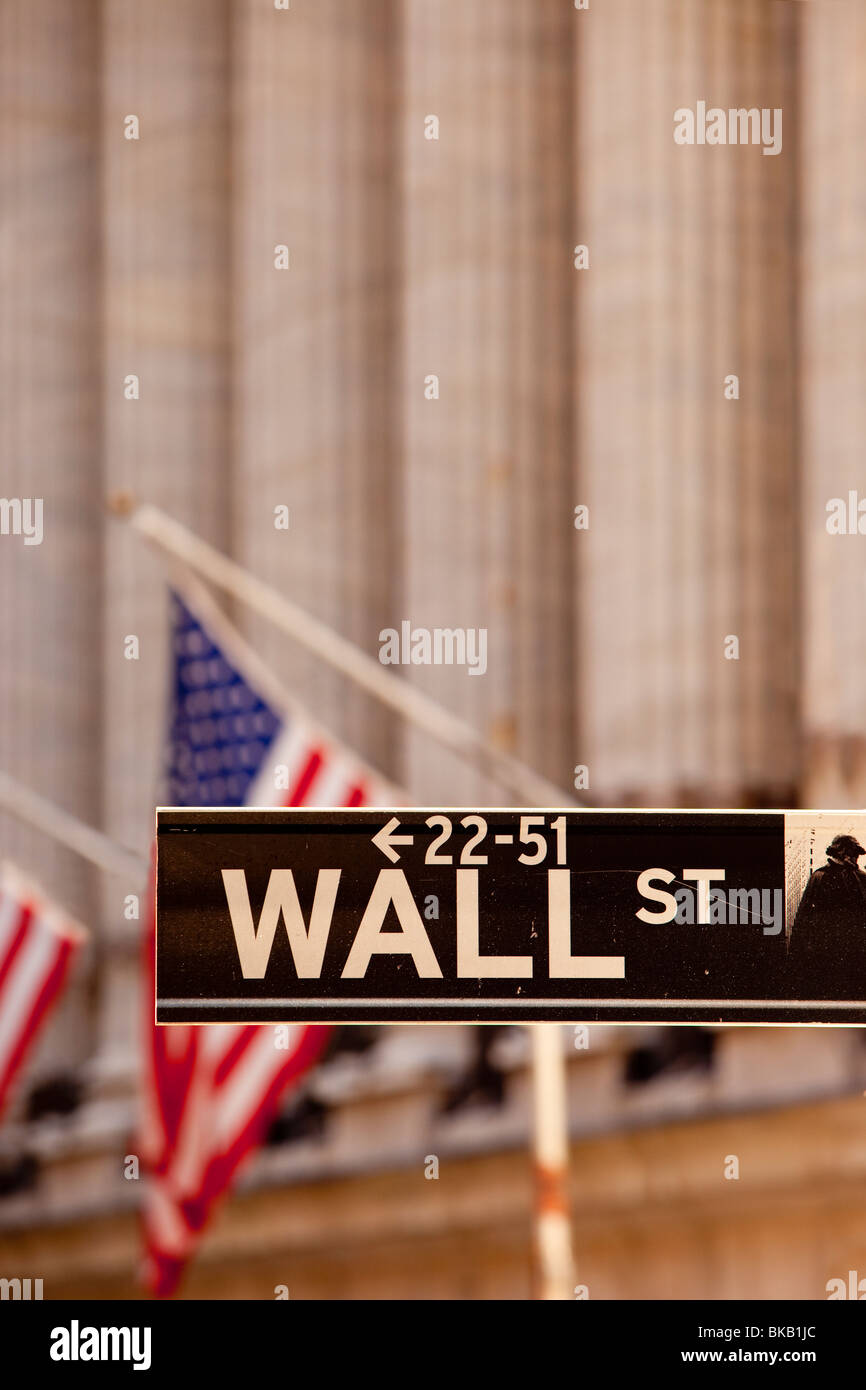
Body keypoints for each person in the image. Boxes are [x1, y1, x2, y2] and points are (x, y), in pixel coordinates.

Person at [788, 834, 866, 997]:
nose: (856, 858)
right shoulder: (821, 876)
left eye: (856, 854)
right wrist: (798, 948)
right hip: (828, 949)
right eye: (853, 853)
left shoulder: (860, 878)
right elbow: (804, 915)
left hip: (856, 950)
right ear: (841, 852)